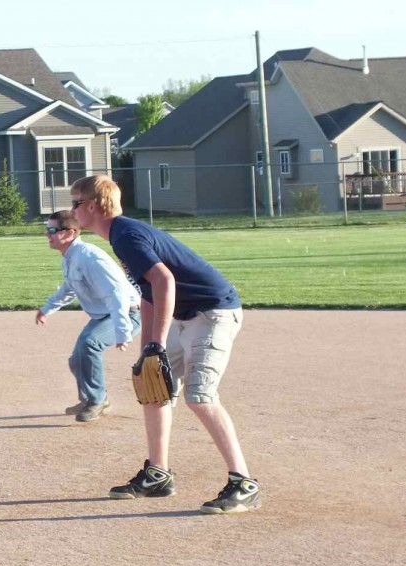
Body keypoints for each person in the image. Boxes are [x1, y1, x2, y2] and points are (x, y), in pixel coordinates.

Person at [69, 174, 260, 513]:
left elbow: (164, 280)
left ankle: (244, 482)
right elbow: (149, 293)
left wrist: (157, 343)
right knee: (153, 385)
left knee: (200, 397)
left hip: (213, 313)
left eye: (76, 203)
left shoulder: (125, 234)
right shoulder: (120, 235)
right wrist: (148, 348)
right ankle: (158, 474)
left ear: (93, 206)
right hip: (188, 315)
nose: (72, 210)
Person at [36, 209, 141, 422]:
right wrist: (48, 308)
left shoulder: (90, 258)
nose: (47, 234)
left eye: (53, 230)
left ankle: (97, 400)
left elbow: (117, 293)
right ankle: (90, 400)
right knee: (76, 360)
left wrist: (123, 330)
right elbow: (70, 287)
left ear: (70, 233)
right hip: (106, 315)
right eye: (47, 229)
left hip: (128, 313)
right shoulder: (71, 256)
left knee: (89, 343)